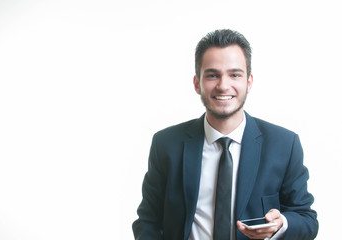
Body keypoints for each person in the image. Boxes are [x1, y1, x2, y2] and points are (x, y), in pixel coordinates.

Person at [132, 29, 318, 240]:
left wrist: (281, 224)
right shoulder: (166, 144)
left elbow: (307, 219)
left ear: (249, 82)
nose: (223, 86)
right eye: (212, 75)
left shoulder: (284, 145)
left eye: (234, 75)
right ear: (197, 83)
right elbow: (148, 220)